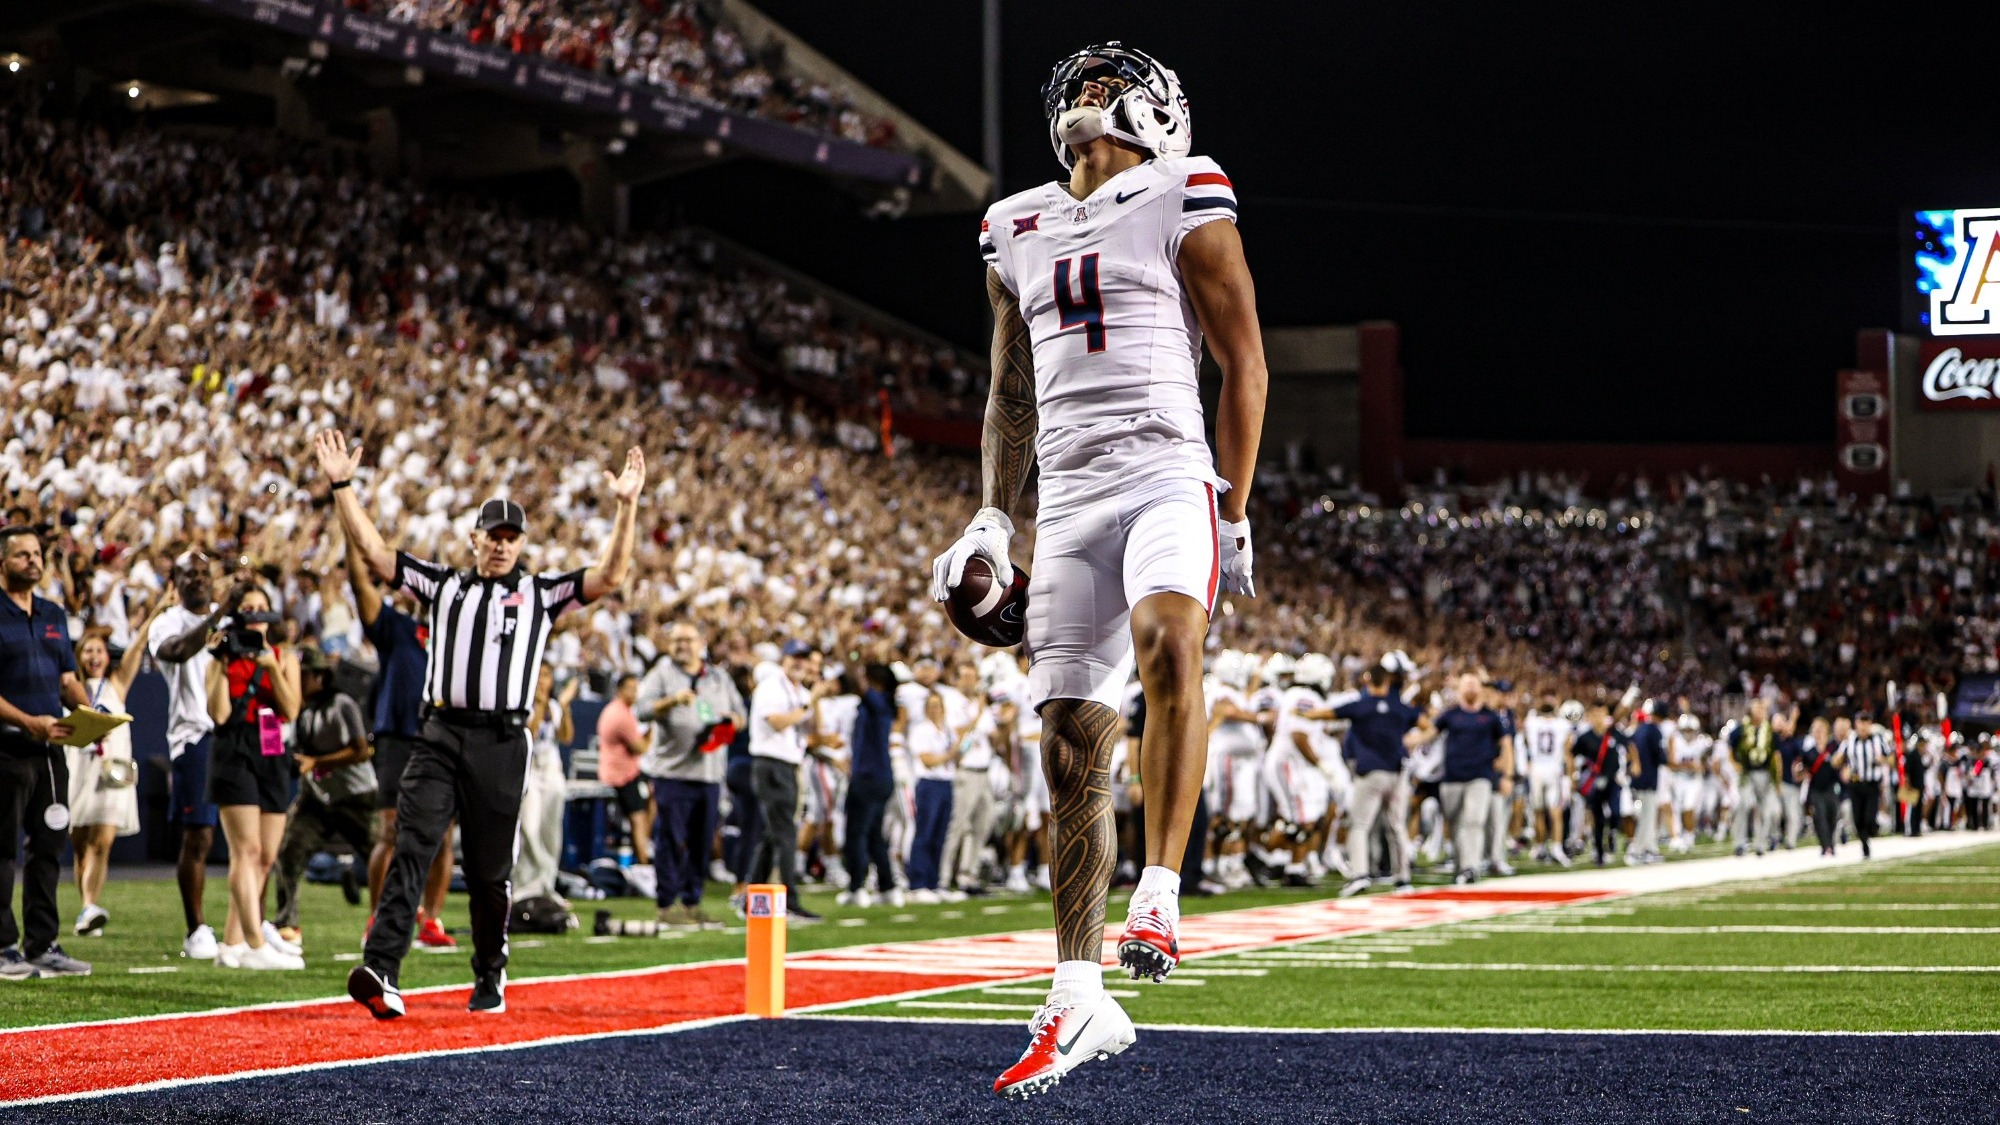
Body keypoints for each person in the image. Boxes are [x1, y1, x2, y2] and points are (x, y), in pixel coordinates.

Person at [932, 41, 1269, 1098]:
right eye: (1074, 84)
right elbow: (1007, 392)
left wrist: (1238, 504)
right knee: (1070, 748)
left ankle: (1161, 889)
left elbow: (1243, 355)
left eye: (1107, 82)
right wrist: (993, 516)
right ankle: (1078, 992)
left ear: (1159, 111)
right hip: (1069, 496)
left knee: (1170, 640)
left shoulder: (1184, 185)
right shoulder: (1011, 222)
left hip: (1167, 467)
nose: (1085, 94)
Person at [319, 428, 646, 1019]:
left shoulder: (541, 593)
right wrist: (343, 486)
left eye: (509, 537)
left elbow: (610, 576)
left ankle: (489, 973)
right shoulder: (444, 585)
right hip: (440, 732)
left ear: (520, 544)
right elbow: (374, 555)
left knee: (491, 869)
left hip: (502, 738)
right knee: (412, 845)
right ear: (473, 539)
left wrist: (626, 508)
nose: (500, 545)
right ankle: (383, 967)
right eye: (491, 536)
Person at [346, 527, 455, 948]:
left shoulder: (457, 638)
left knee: (443, 835)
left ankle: (430, 919)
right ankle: (377, 917)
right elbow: (360, 586)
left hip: (442, 738)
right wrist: (349, 535)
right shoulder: (398, 628)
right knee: (389, 832)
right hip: (397, 738)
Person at [0, 526, 92, 979]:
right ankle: (1, 947)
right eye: (22, 555)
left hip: (51, 750)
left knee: (49, 844)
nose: (33, 562)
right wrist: (27, 721)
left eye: (37, 554)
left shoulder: (54, 612)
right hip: (7, 748)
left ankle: (42, 943)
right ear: (3, 561)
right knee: (2, 847)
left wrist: (91, 712)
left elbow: (67, 678)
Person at [204, 584, 305, 970]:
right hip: (235, 749)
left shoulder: (284, 657)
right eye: (248, 608)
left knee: (264, 857)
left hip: (272, 749)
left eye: (262, 608)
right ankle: (255, 941)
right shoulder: (223, 657)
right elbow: (219, 713)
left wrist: (269, 666)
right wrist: (219, 660)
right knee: (244, 851)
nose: (256, 615)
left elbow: (291, 708)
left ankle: (231, 944)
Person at [147, 552, 239, 961]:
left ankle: (248, 924)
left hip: (238, 732)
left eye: (205, 573)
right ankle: (196, 929)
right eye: (190, 574)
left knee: (252, 838)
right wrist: (224, 613)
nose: (199, 580)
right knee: (199, 836)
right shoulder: (168, 621)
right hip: (196, 735)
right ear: (176, 581)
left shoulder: (230, 617)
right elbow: (179, 650)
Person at [634, 622, 744, 927]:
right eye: (677, 640)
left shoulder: (718, 677)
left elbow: (740, 715)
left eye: (688, 640)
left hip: (709, 774)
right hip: (673, 772)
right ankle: (667, 905)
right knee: (671, 839)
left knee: (701, 841)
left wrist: (731, 722)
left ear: (701, 642)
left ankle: (692, 903)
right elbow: (640, 710)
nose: (682, 646)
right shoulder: (662, 673)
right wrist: (672, 700)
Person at [66, 608, 161, 937]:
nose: (94, 656)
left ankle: (90, 905)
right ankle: (86, 909)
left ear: (108, 656)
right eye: (88, 650)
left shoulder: (117, 684)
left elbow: (137, 645)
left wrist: (159, 607)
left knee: (102, 842)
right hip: (78, 769)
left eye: (99, 650)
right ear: (80, 655)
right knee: (81, 846)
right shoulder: (70, 685)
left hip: (111, 772)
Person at [272, 647, 377, 943]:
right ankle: (286, 922)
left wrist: (318, 762)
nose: (296, 681)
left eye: (301, 676)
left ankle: (398, 917)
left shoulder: (341, 704)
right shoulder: (298, 710)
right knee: (290, 848)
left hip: (356, 796)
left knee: (382, 858)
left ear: (319, 677)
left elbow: (361, 751)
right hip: (317, 796)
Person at [746, 640, 837, 921]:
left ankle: (751, 896)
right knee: (786, 833)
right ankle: (789, 900)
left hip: (787, 763)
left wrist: (815, 698)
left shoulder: (797, 690)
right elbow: (776, 722)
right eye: (795, 657)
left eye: (804, 658)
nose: (800, 663)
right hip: (772, 763)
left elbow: (814, 730)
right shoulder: (772, 686)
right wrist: (810, 701)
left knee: (775, 833)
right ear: (784, 659)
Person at [1335, 663, 1428, 896]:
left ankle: (1360, 874)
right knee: (1396, 826)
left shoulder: (1361, 705)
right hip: (1397, 773)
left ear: (1368, 680)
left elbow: (1328, 714)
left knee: (1359, 825)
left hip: (1370, 773)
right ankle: (1403, 878)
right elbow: (1429, 723)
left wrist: (1301, 714)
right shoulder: (1399, 707)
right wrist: (1414, 741)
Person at [1433, 674, 1510, 883]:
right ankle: (1460, 863)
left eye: (1473, 684)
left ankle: (1470, 867)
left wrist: (1508, 774)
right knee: (1455, 823)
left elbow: (1506, 744)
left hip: (1480, 776)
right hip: (1452, 777)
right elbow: (1430, 731)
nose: (1470, 688)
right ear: (1459, 688)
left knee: (1474, 821)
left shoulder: (1491, 717)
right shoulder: (1449, 715)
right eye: (1466, 684)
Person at [838, 664, 900, 907]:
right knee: (874, 835)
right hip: (881, 777)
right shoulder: (882, 705)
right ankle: (888, 887)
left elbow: (860, 684)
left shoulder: (879, 703)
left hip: (868, 778)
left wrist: (849, 655)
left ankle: (857, 887)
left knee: (856, 834)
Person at [596, 673, 655, 889]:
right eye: (630, 688)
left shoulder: (617, 710)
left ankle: (644, 856)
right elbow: (640, 748)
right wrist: (651, 733)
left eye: (636, 688)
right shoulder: (621, 714)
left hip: (623, 772)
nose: (634, 693)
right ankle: (644, 866)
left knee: (652, 799)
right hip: (621, 776)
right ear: (620, 689)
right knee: (638, 819)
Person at [905, 690, 959, 902]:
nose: (936, 710)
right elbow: (927, 760)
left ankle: (933, 882)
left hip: (946, 782)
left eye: (939, 705)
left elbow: (955, 757)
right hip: (929, 784)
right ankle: (918, 883)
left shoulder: (947, 730)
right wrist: (950, 754)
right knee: (925, 832)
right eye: (932, 705)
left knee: (940, 834)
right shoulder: (921, 730)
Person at [1726, 698, 1782, 856]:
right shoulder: (1741, 729)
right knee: (1743, 805)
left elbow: (1776, 757)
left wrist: (1778, 779)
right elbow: (1729, 749)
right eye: (1757, 708)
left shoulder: (1770, 731)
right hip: (1747, 773)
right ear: (1750, 710)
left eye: (1763, 709)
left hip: (1765, 773)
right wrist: (1735, 765)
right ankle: (1739, 843)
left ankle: (1760, 843)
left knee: (1766, 810)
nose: (1761, 712)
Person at [1842, 710, 1892, 859]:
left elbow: (1892, 760)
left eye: (1866, 723)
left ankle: (1873, 830)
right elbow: (1838, 760)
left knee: (1869, 818)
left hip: (1871, 785)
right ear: (1856, 724)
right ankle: (1865, 847)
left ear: (1870, 724)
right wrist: (1843, 769)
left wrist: (1882, 760)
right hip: (1855, 784)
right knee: (1857, 819)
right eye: (1860, 723)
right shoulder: (1849, 741)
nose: (1863, 726)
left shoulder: (1878, 740)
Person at [1625, 704, 1669, 865]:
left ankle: (1650, 848)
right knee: (1647, 816)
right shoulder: (1654, 730)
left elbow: (1630, 746)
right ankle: (1637, 851)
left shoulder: (1640, 728)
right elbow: (1660, 756)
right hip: (1648, 777)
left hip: (1638, 778)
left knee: (1647, 815)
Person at [1796, 717, 1842, 855]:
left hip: (1831, 788)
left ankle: (1830, 843)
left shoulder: (1833, 748)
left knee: (1832, 816)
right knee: (1819, 817)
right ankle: (1826, 846)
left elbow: (1841, 765)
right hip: (1815, 790)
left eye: (1820, 730)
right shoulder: (1808, 752)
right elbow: (1801, 771)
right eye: (1815, 730)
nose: (1818, 733)